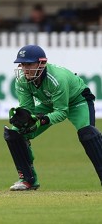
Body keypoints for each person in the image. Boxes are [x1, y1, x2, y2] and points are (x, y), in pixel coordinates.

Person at [5, 44, 102, 191]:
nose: (25, 69)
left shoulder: (57, 79)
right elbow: (28, 109)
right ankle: (28, 180)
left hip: (77, 100)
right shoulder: (22, 81)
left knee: (88, 134)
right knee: (15, 133)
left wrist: (42, 120)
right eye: (22, 65)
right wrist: (26, 118)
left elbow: (61, 112)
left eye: (29, 64)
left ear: (42, 63)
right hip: (48, 103)